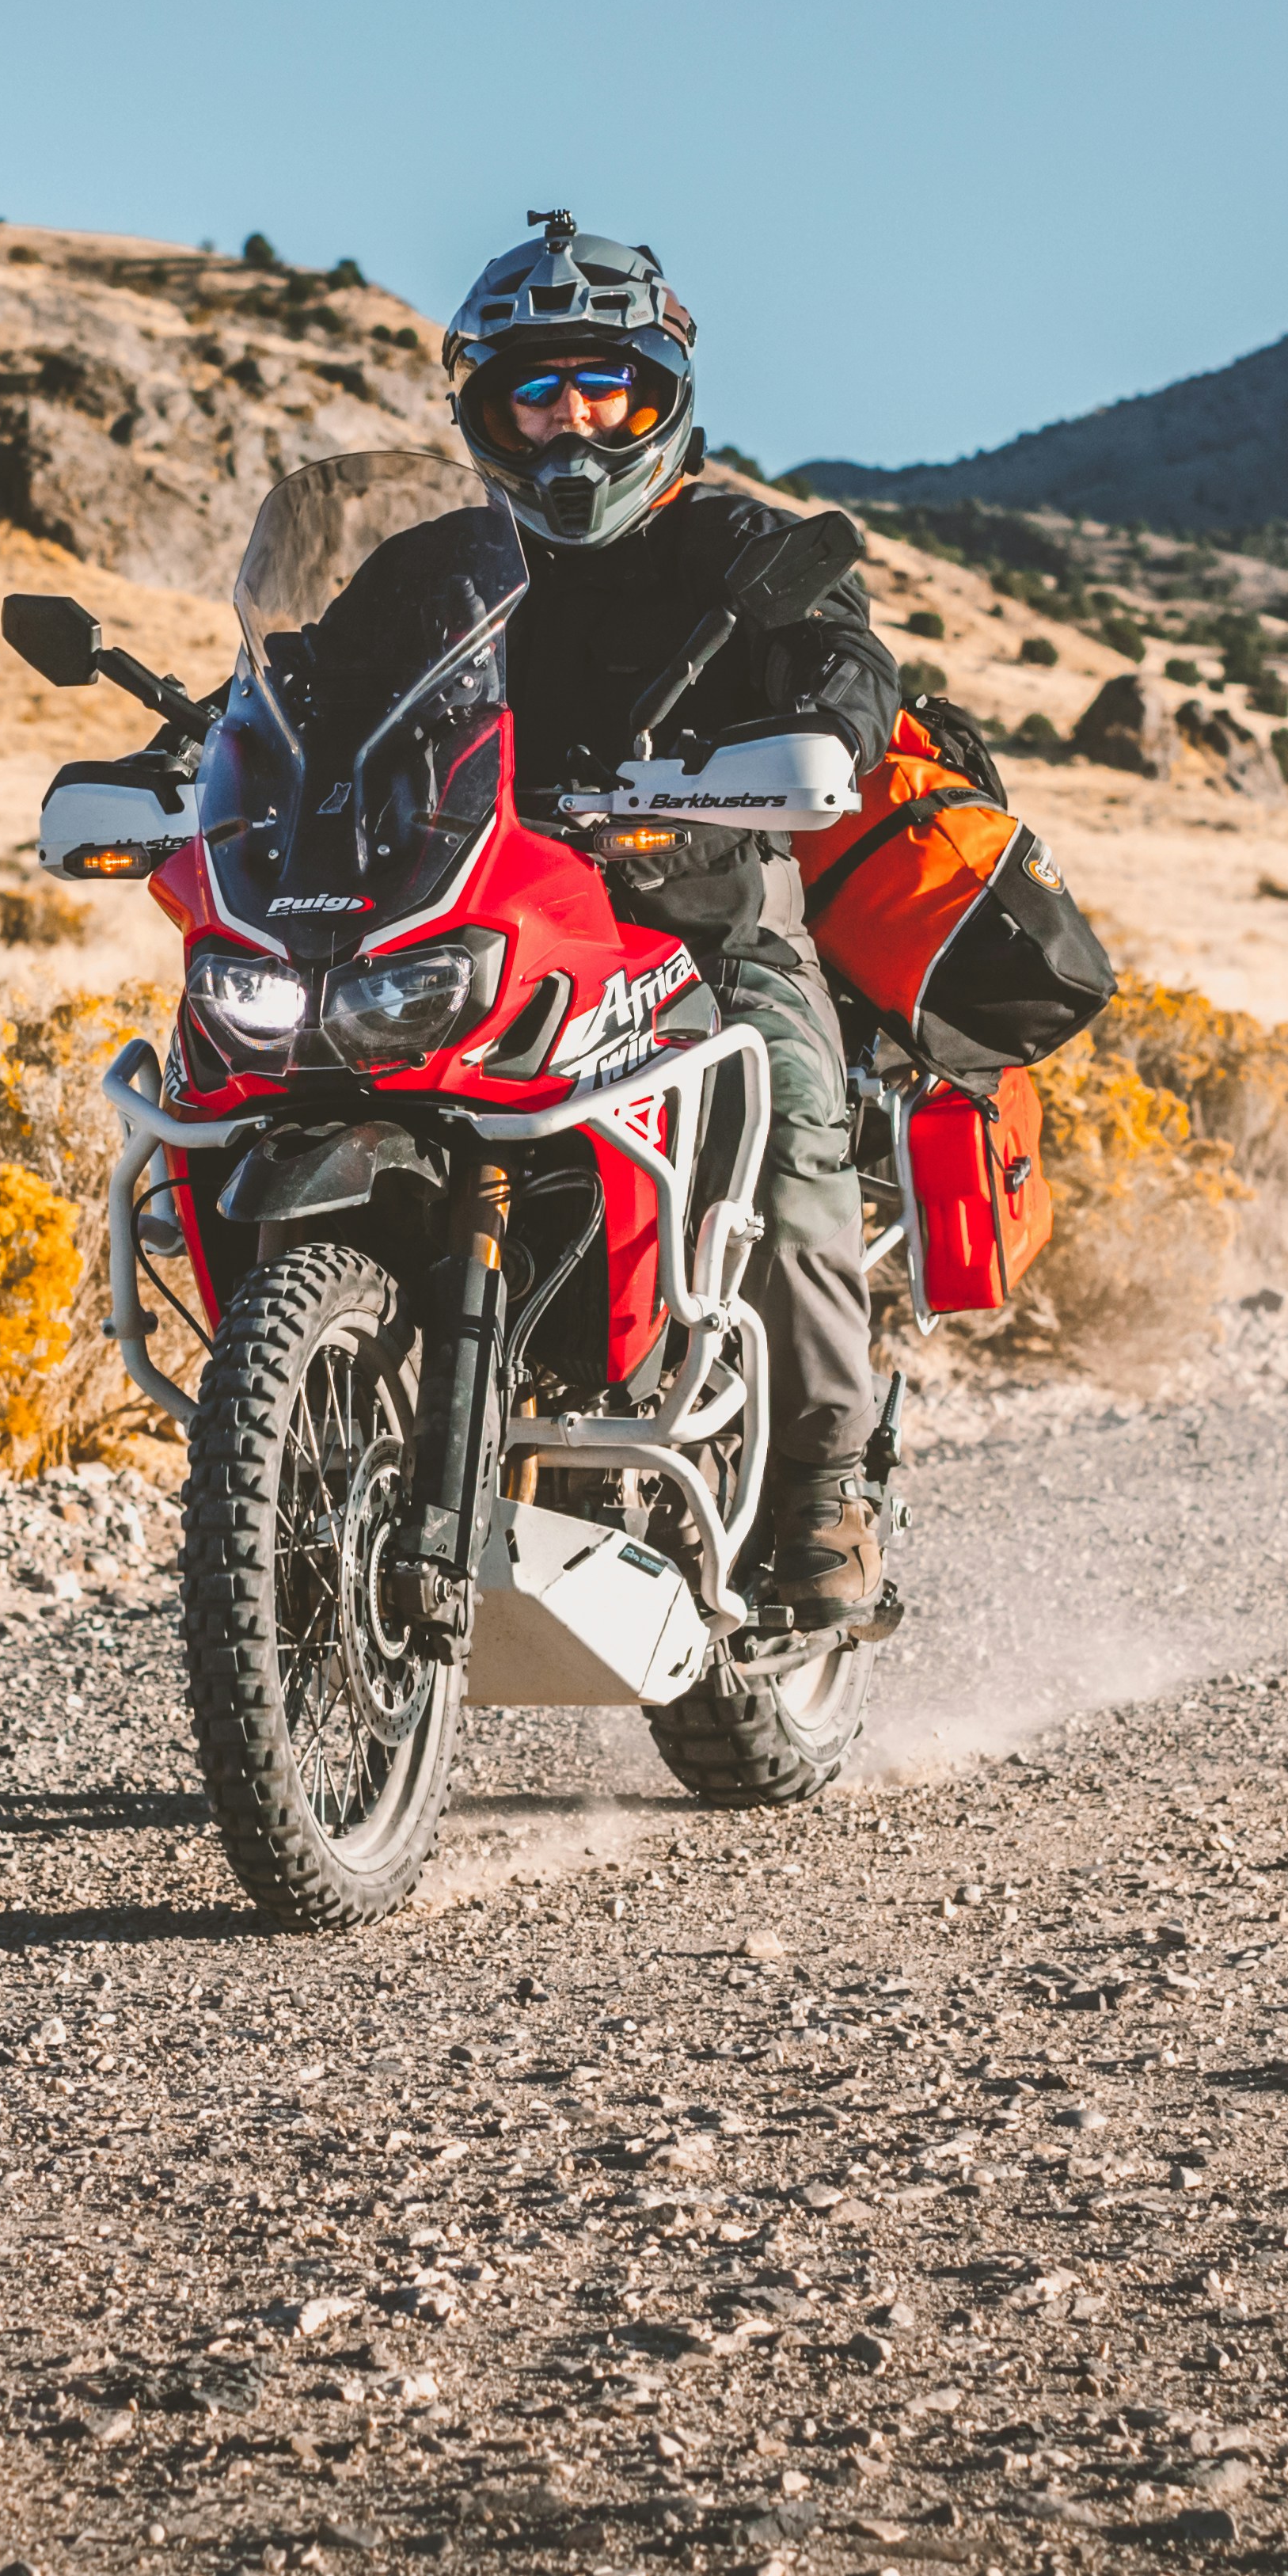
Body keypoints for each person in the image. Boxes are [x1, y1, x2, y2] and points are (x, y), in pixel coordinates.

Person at [441, 210, 901, 1628]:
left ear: (660, 394)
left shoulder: (742, 546)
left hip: (709, 922)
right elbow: (317, 685)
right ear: (489, 412)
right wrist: (214, 751)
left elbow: (847, 664)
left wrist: (825, 729)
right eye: (536, 391)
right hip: (503, 927)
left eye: (603, 386)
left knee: (791, 1118)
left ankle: (822, 1487)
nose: (571, 420)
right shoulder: (447, 564)